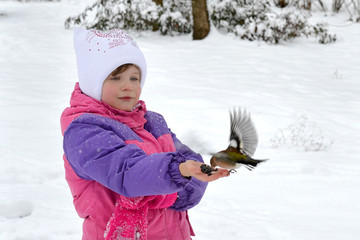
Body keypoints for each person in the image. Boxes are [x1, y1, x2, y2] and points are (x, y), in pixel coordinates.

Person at [60, 28, 228, 240]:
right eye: (115, 78)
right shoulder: (84, 131)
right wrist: (176, 174)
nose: (127, 87)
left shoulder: (152, 123)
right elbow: (126, 172)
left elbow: (187, 163)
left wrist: (187, 177)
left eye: (134, 77)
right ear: (93, 83)